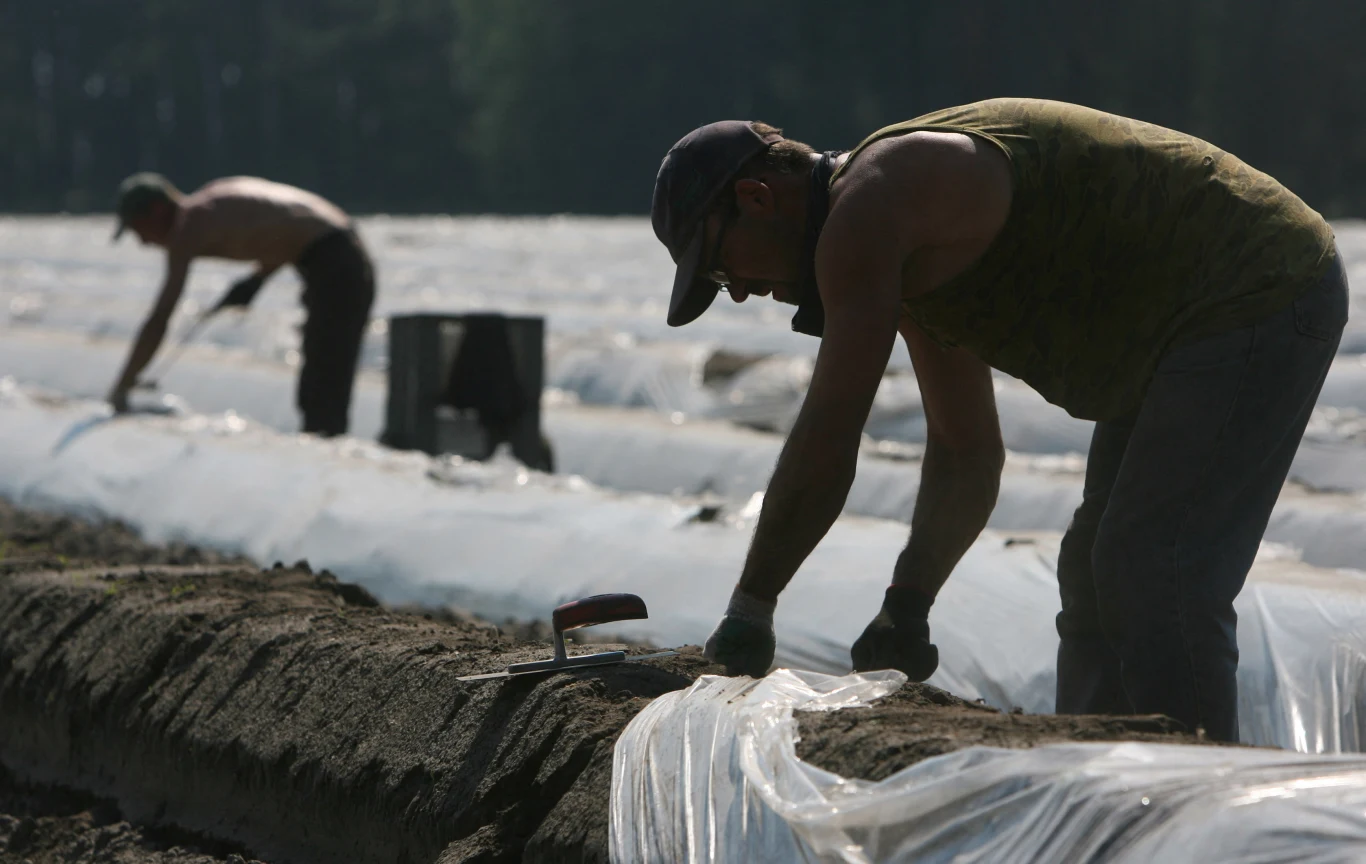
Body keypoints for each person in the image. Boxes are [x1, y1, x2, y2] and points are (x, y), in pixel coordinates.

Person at [650, 99, 1346, 742]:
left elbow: (831, 431)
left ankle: (1195, 811)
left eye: (718, 267)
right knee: (1097, 577)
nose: (738, 291)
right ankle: (1104, 792)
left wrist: (752, 607)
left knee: (1149, 568)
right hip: (1179, 327)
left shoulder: (870, 209)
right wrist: (910, 600)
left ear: (757, 196)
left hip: (1253, 286)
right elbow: (966, 451)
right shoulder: (907, 253)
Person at [108, 173, 376, 436]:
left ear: (157, 210)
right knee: (322, 373)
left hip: (337, 261)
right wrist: (256, 280)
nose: (143, 242)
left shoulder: (189, 225)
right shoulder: (212, 202)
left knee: (324, 377)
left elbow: (160, 316)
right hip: (336, 253)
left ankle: (325, 456)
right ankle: (323, 441)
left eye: (138, 229)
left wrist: (123, 385)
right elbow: (285, 228)